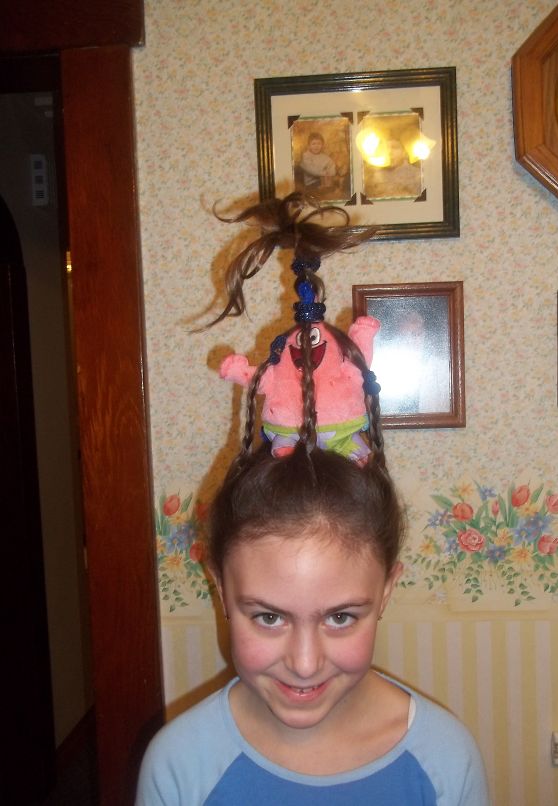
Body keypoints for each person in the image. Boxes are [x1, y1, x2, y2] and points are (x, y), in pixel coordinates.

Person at [136, 194, 490, 805]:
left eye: (341, 617)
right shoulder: (179, 766)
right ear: (220, 589)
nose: (304, 664)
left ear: (387, 591)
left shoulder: (445, 761)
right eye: (268, 617)